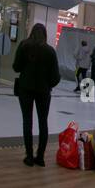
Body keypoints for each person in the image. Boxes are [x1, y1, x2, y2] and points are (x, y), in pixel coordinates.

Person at [12, 23, 60, 166]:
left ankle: (29, 156)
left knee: (27, 122)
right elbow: (55, 77)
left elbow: (16, 67)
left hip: (25, 89)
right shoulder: (50, 51)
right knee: (43, 122)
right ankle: (40, 157)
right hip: (43, 92)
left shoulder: (24, 45)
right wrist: (47, 84)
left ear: (31, 32)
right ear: (45, 35)